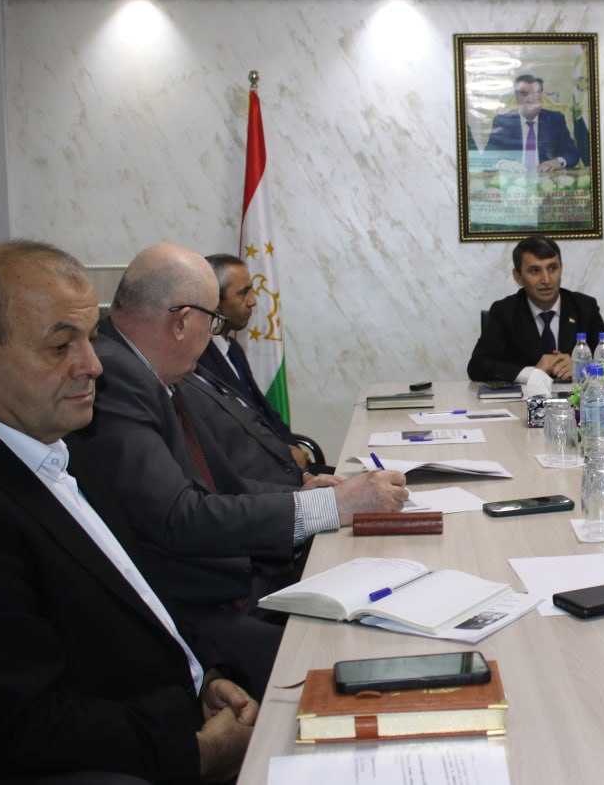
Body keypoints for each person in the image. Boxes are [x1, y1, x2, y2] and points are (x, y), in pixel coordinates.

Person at [0, 240, 256, 782]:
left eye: (90, 338)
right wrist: (193, 753)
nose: (92, 365)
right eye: (59, 346)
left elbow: (138, 591)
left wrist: (208, 677)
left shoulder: (59, 439)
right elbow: (19, 726)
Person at [70, 243, 409, 693]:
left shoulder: (145, 369)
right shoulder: (116, 379)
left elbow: (220, 483)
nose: (213, 335)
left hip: (231, 581)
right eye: (212, 321)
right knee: (355, 661)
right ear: (181, 322)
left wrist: (306, 497)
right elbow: (180, 517)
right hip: (194, 611)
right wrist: (330, 507)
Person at [198, 253, 310, 471]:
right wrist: (284, 454)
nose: (253, 301)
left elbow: (261, 411)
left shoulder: (233, 349)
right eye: (243, 293)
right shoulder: (199, 360)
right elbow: (231, 431)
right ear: (214, 302)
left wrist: (292, 446)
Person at [467, 235, 604, 383]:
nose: (546, 280)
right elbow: (477, 366)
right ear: (518, 276)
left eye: (552, 268)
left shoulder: (584, 307)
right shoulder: (505, 311)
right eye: (535, 270)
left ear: (561, 269)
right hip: (523, 398)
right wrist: (531, 373)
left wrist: (582, 366)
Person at [484, 74, 580, 172]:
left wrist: (558, 161)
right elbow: (488, 155)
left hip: (547, 178)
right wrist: (503, 164)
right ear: (516, 97)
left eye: (535, 94)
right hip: (514, 178)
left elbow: (572, 154)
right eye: (524, 94)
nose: (530, 100)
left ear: (541, 96)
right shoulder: (503, 121)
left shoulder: (555, 120)